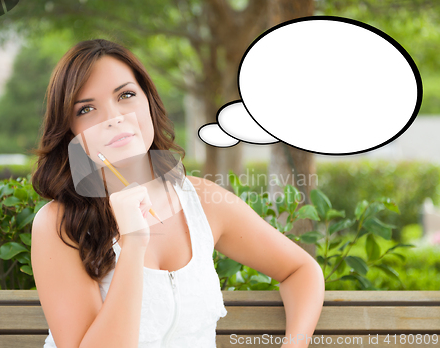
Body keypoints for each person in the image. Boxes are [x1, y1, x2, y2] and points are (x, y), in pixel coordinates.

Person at [30, 39, 325, 348]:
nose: (113, 118)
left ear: (149, 102)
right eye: (87, 108)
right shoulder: (58, 223)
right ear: (71, 131)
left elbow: (301, 270)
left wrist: (295, 344)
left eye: (126, 95)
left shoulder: (203, 201)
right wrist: (133, 243)